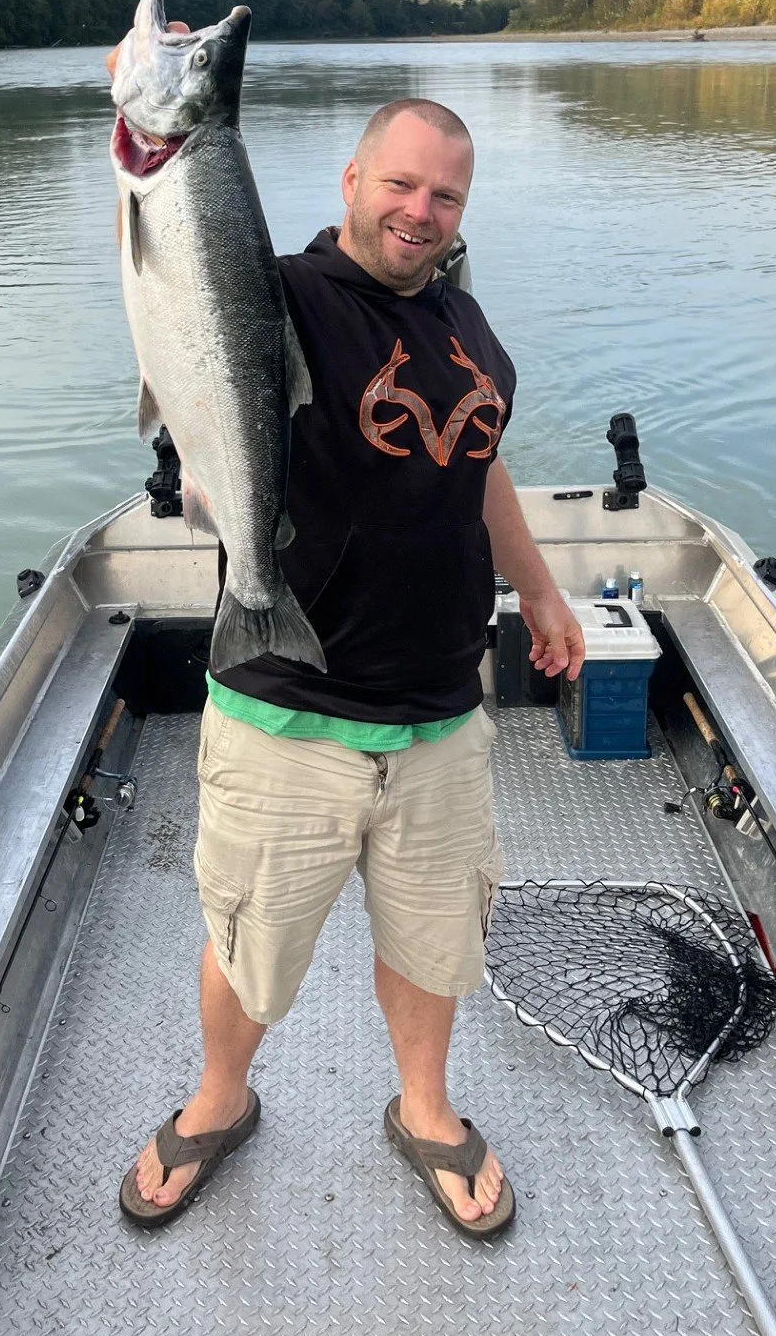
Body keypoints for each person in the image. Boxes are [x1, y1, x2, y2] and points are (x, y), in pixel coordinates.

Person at [120, 95, 584, 1239]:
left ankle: (425, 1110)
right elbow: (173, 260)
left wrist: (539, 588)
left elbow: (478, 462)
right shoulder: (275, 297)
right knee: (250, 944)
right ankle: (221, 1098)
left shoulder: (464, 319)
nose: (421, 213)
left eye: (446, 197)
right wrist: (148, 138)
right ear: (351, 180)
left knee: (436, 944)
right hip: (287, 719)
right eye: (402, 185)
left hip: (440, 716)